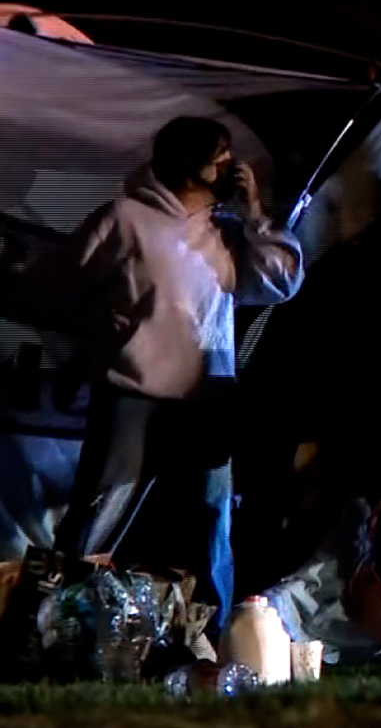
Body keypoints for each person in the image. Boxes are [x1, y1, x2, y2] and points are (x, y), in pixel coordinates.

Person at [16, 117, 304, 625]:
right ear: (188, 161)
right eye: (220, 154)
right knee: (97, 516)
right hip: (134, 395)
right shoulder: (125, 218)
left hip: (207, 399)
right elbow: (55, 286)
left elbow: (280, 283)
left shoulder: (228, 233)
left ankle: (209, 639)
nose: (230, 165)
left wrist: (257, 214)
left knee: (209, 521)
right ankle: (51, 628)